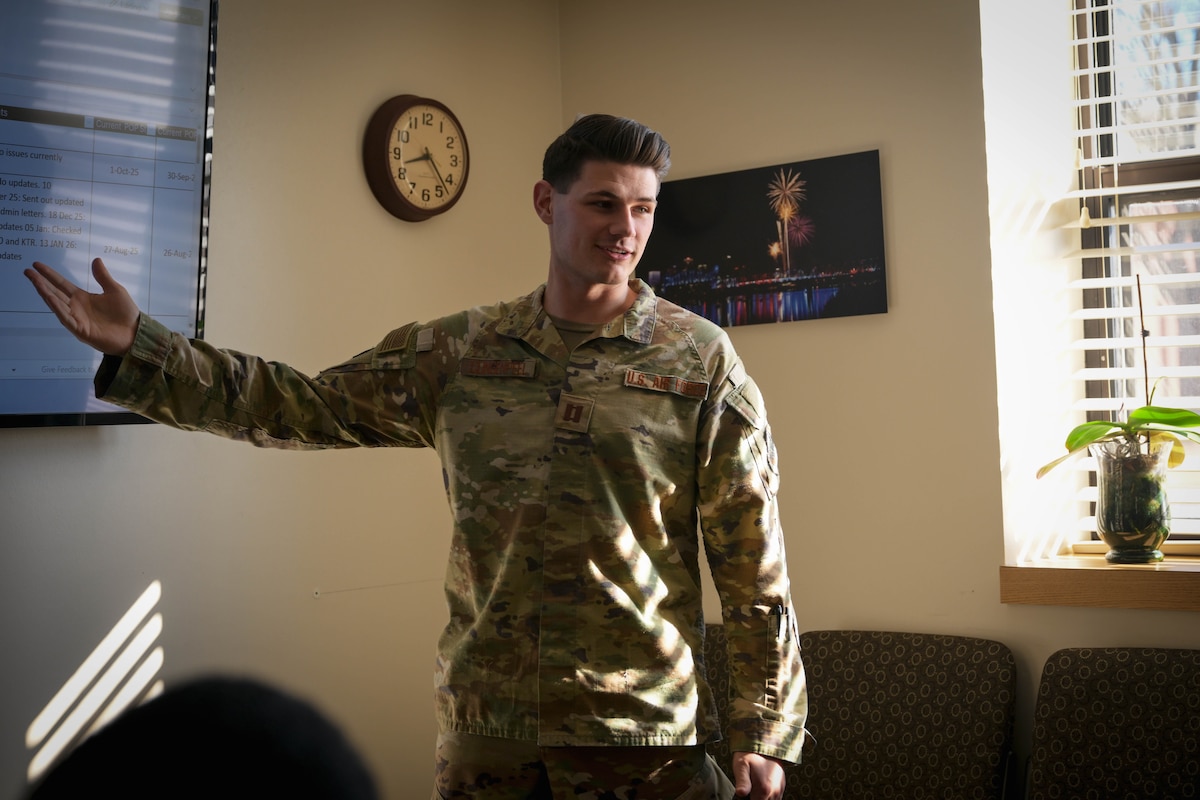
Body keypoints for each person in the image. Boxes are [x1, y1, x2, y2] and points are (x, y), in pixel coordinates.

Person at [25, 114, 807, 800]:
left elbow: (752, 564)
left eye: (643, 209)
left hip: (640, 742)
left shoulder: (699, 362)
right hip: (488, 735)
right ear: (547, 202)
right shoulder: (459, 351)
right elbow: (301, 404)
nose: (625, 229)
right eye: (603, 203)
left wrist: (763, 729)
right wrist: (145, 349)